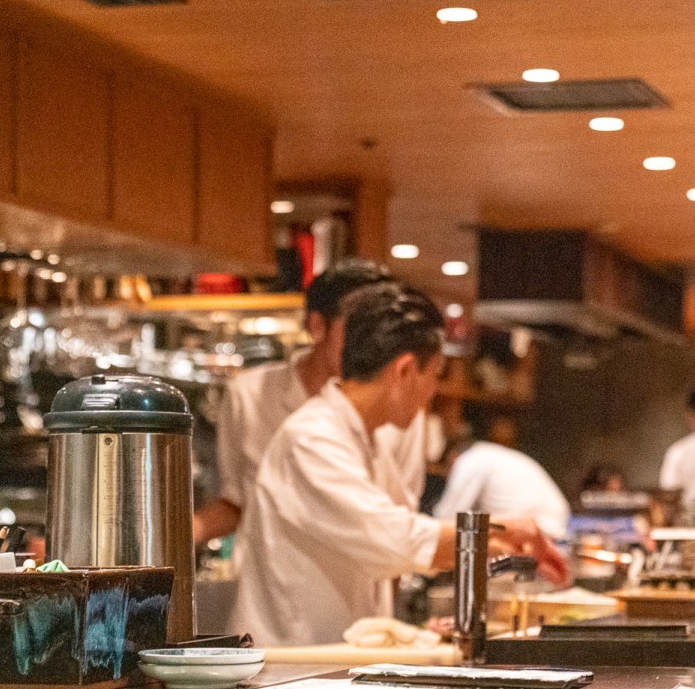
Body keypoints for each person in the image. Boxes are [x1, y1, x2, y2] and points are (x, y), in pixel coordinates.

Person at [233, 283, 569, 646]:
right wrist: (500, 531)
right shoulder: (311, 438)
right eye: (436, 374)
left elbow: (397, 543)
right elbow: (392, 537)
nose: (433, 391)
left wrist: (506, 543)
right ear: (406, 370)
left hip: (330, 658)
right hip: (289, 663)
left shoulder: (368, 439)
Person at [192, 260, 426, 548]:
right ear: (317, 326)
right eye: (358, 329)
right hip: (268, 584)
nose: (373, 345)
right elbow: (237, 503)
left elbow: (403, 527)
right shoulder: (249, 394)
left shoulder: (400, 408)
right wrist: (175, 536)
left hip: (353, 588)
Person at [433, 434, 571, 539]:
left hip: (531, 536)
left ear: (453, 457)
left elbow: (448, 517)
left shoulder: (470, 460)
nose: (447, 476)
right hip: (557, 530)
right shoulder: (492, 453)